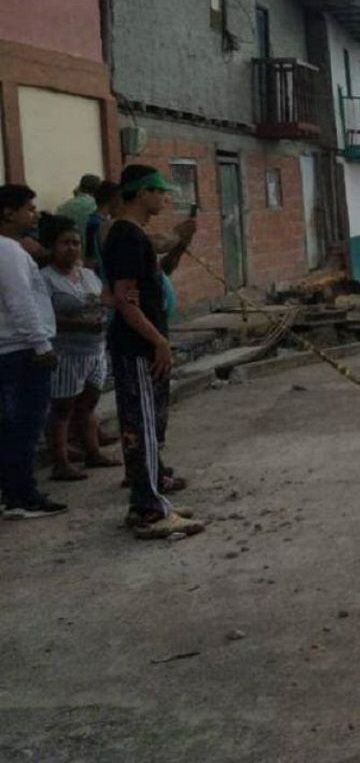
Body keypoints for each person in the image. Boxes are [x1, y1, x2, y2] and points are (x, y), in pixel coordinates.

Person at [103, 165, 202, 539]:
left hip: (146, 344)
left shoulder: (135, 235)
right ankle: (147, 510)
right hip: (137, 348)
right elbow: (125, 301)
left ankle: (153, 497)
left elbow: (157, 269)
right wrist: (158, 341)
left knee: (151, 425)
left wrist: (181, 242)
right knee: (141, 426)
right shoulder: (126, 236)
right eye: (160, 191)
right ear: (141, 192)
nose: (165, 198)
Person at [0, 185, 67, 519]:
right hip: (22, 349)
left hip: (11, 349)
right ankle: (22, 496)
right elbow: (20, 301)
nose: (34, 214)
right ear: (8, 212)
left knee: (10, 425)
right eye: (28, 208)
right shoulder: (8, 251)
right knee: (25, 426)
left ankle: (12, 493)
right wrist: (42, 344)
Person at [40, 217, 120, 482]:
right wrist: (80, 324)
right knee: (63, 408)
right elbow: (44, 317)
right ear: (51, 246)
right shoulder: (46, 279)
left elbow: (102, 299)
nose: (72, 248)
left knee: (88, 404)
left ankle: (92, 452)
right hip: (66, 353)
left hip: (95, 350)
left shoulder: (86, 274)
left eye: (75, 243)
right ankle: (60, 462)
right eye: (65, 243)